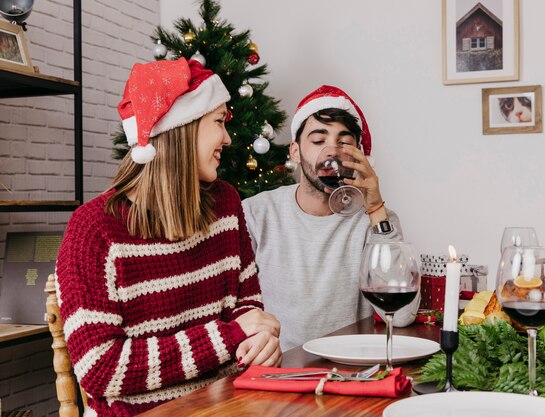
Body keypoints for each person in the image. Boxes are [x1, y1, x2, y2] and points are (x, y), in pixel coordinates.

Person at [55, 58, 281, 417]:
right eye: (219, 123)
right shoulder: (94, 230)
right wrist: (229, 336)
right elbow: (100, 369)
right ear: (183, 129)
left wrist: (259, 341)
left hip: (230, 405)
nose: (227, 138)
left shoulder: (225, 204)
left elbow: (247, 306)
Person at [243, 85, 417, 351]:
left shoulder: (374, 218)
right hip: (280, 370)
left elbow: (402, 317)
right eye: (318, 141)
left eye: (344, 142)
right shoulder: (257, 213)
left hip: (349, 369)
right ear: (295, 152)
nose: (332, 152)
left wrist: (375, 209)